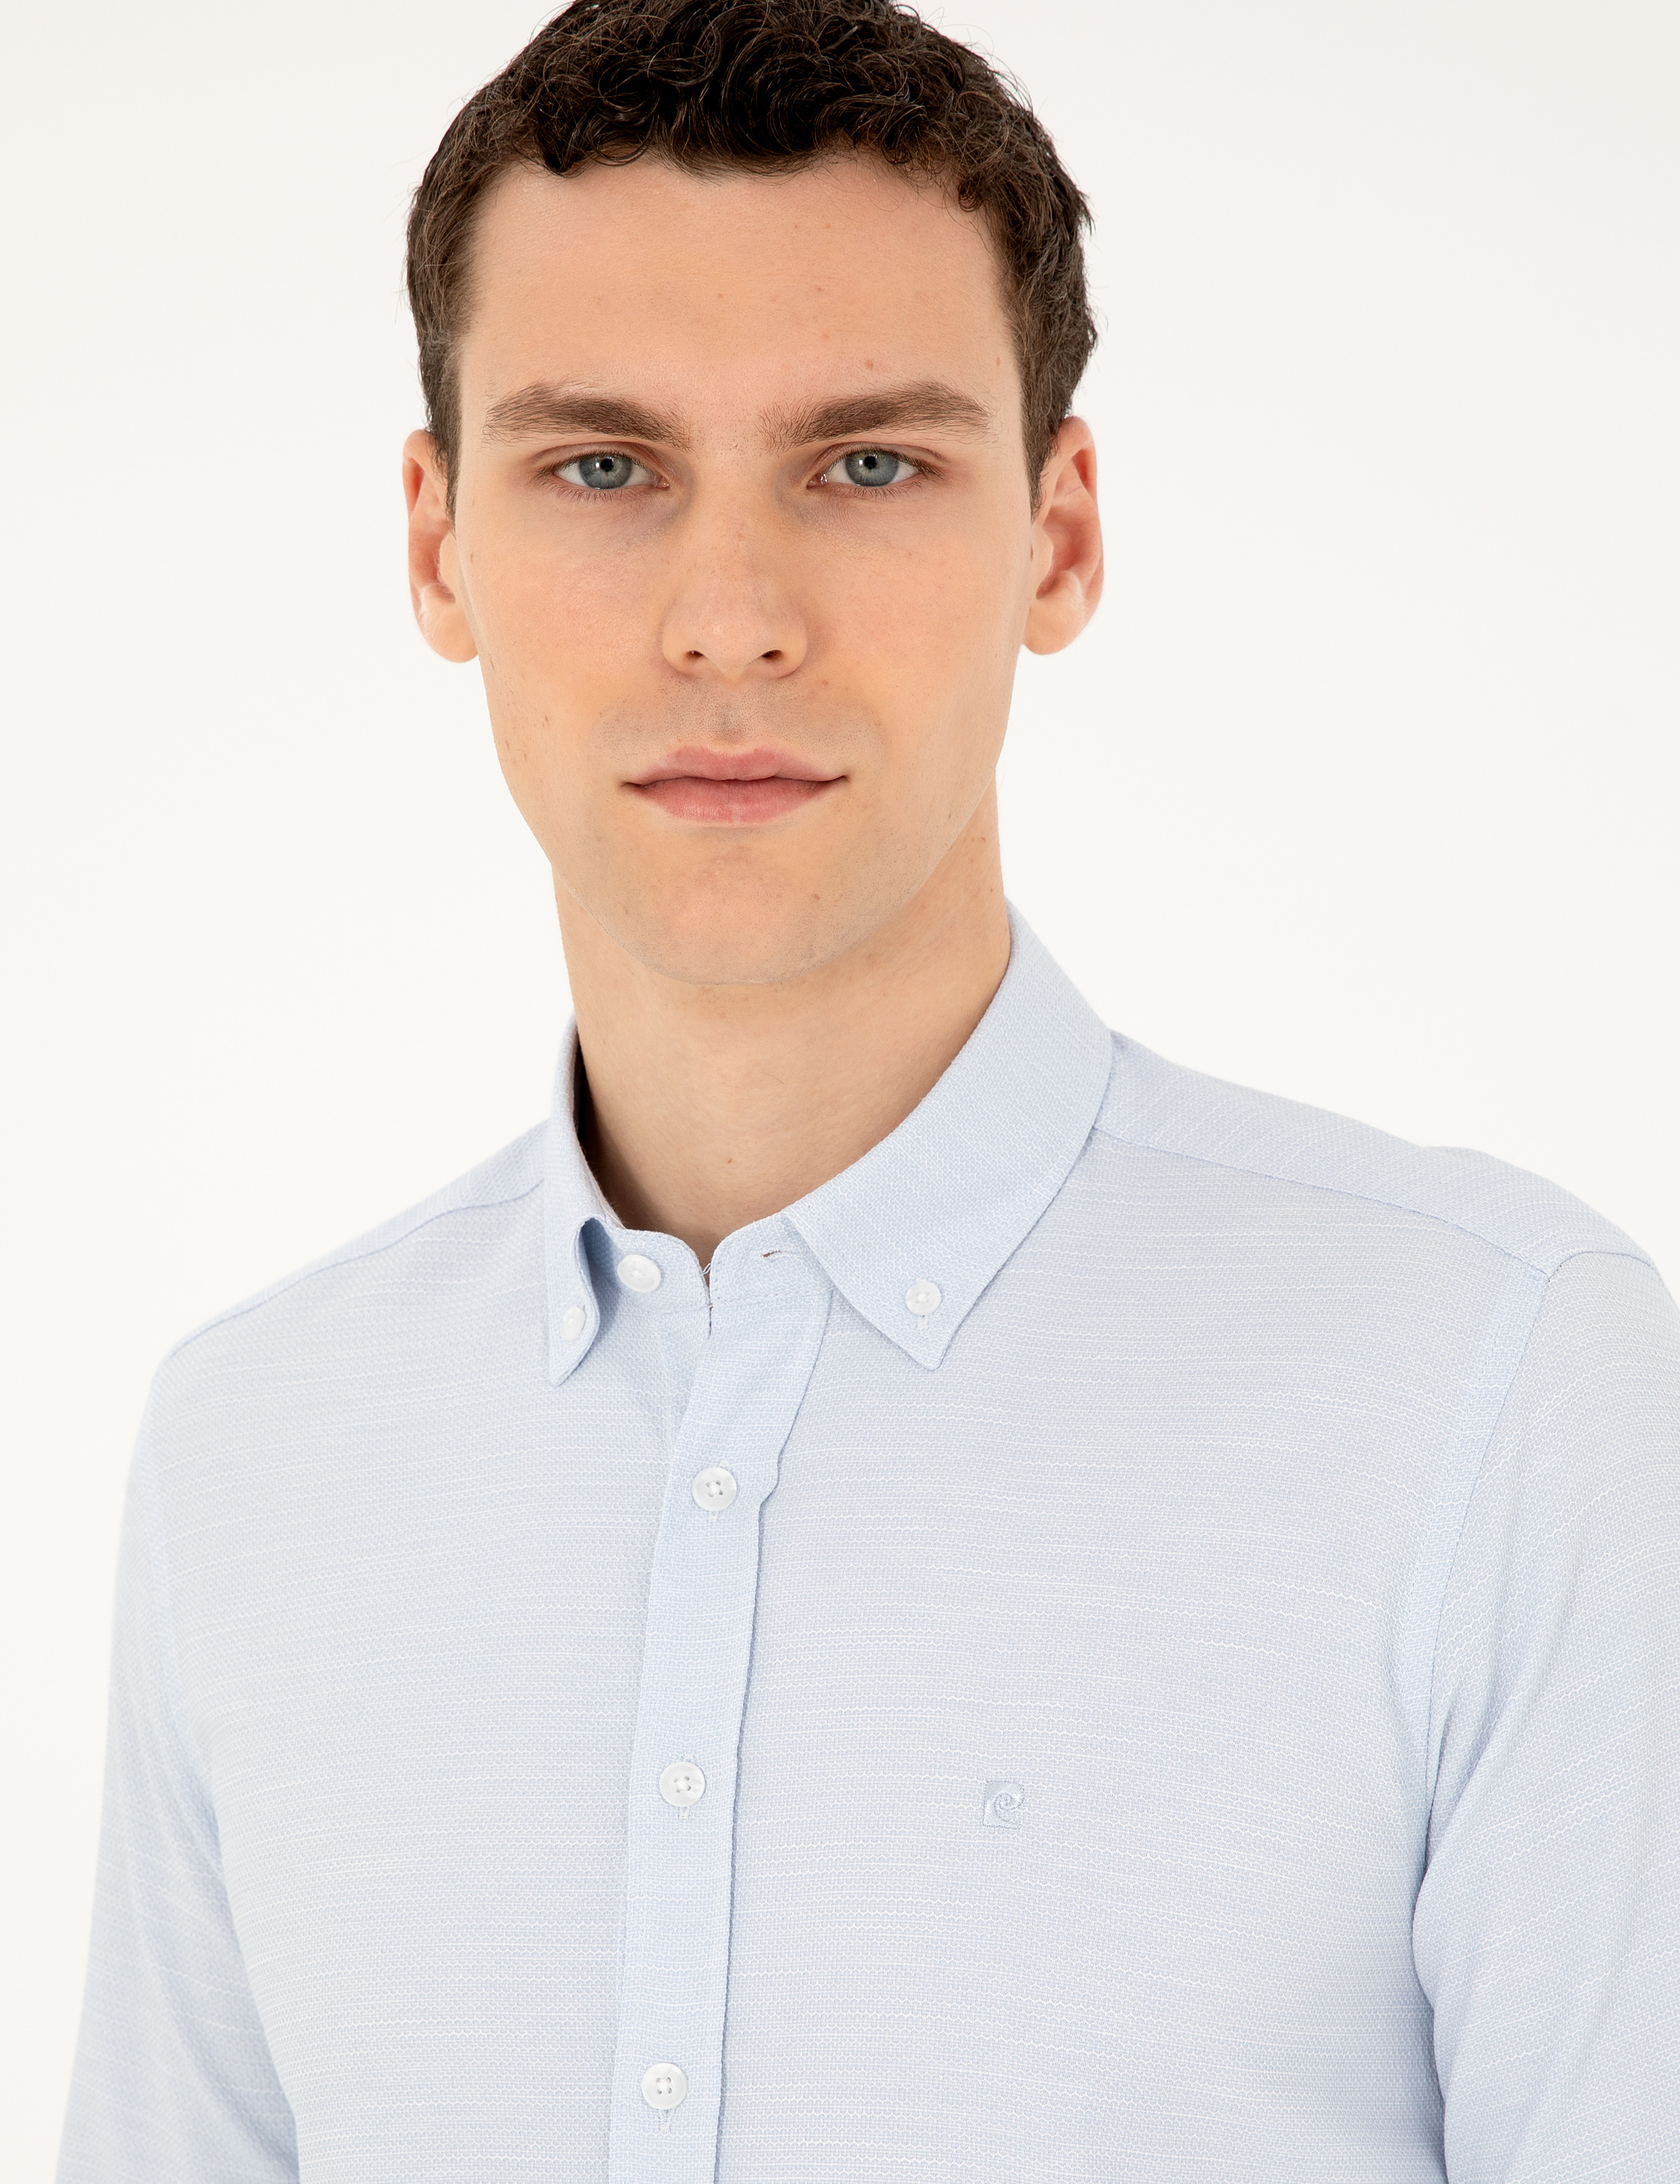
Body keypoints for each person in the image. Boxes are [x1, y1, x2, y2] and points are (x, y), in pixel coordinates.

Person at [58, 1, 1680, 2177]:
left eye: (867, 465)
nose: (730, 621)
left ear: (1059, 538)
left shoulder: (1495, 1392)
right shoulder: (254, 1450)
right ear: (438, 545)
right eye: (603, 467)